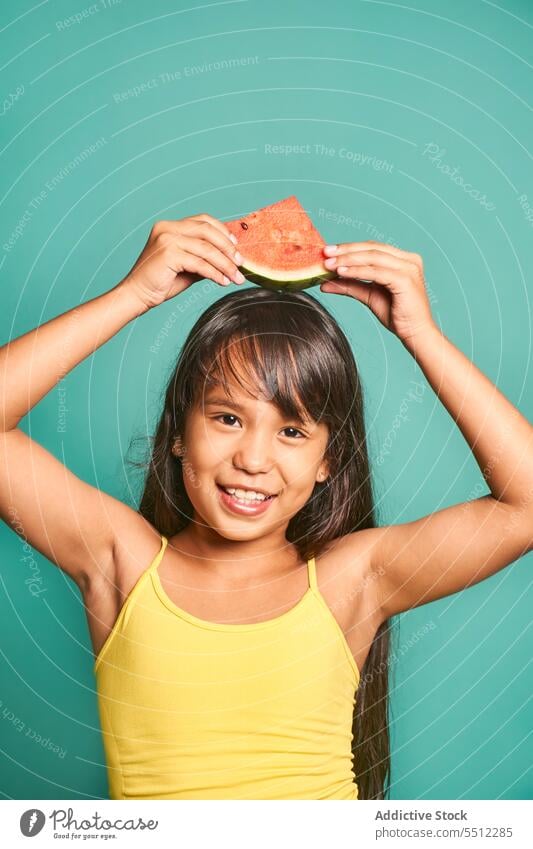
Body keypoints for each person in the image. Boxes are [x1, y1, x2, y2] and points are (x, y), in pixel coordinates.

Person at [0, 213, 531, 800]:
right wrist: (133, 295)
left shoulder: (351, 580)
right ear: (177, 430)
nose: (253, 459)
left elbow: (524, 506)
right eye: (227, 419)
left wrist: (421, 335)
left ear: (330, 459)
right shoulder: (120, 563)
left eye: (293, 432)